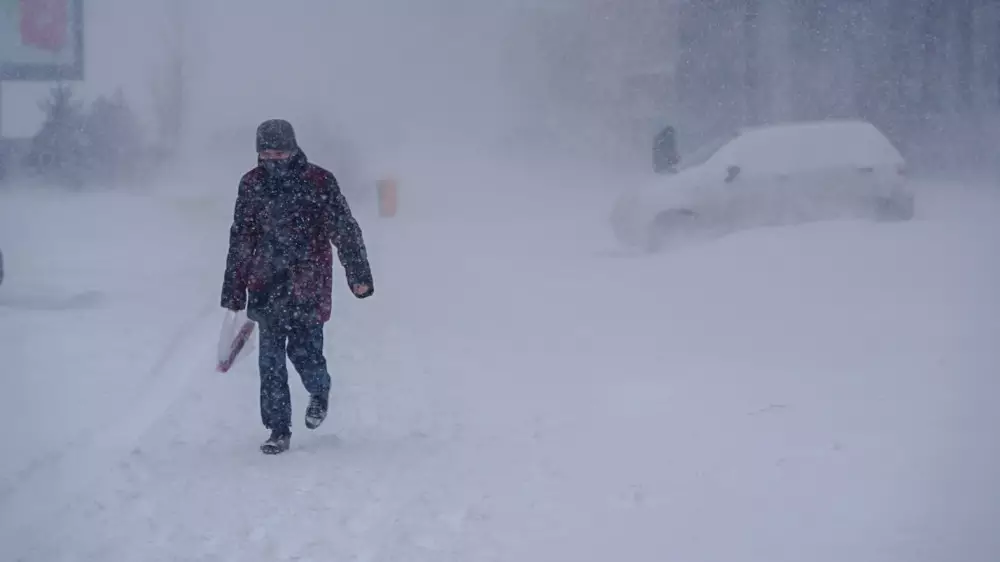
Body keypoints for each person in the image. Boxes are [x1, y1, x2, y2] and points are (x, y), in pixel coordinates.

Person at [221, 119, 374, 455]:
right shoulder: (252, 184)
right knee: (270, 362)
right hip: (265, 283)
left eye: (279, 153)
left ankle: (319, 390)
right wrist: (234, 289)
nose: (272, 160)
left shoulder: (319, 181)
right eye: (266, 154)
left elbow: (345, 230)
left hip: (309, 283)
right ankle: (278, 430)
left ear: (292, 149)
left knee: (305, 353)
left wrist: (358, 275)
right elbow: (241, 238)